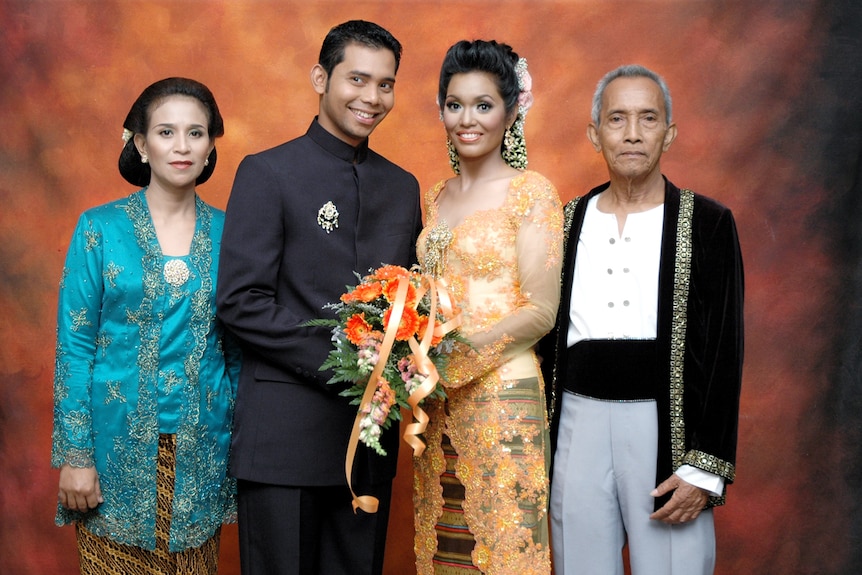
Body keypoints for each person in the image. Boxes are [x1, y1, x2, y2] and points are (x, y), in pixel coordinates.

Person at [215, 20, 422, 575]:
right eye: (358, 79)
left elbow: (413, 301)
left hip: (369, 447)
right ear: (320, 77)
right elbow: (240, 301)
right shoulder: (267, 172)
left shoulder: (402, 186)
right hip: (283, 440)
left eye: (386, 84)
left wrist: (409, 355)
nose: (372, 98)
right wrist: (352, 361)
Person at [542, 64, 744, 575]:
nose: (632, 133)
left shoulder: (708, 224)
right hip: (575, 428)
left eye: (648, 119)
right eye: (617, 119)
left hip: (667, 434)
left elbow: (725, 349)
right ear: (595, 134)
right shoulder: (563, 222)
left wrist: (705, 468)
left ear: (669, 133)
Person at [51, 77, 239, 574]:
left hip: (204, 455)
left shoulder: (233, 233)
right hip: (113, 457)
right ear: (140, 143)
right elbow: (74, 347)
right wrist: (75, 455)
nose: (182, 147)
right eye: (166, 132)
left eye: (196, 133)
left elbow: (239, 351)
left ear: (211, 145)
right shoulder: (99, 229)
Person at [413, 40, 563, 575]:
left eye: (483, 105)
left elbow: (542, 311)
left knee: (503, 553)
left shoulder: (531, 193)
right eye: (455, 105)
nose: (467, 120)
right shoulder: (435, 196)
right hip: (437, 405)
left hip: (504, 400)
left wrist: (448, 362)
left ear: (511, 111)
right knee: (447, 553)